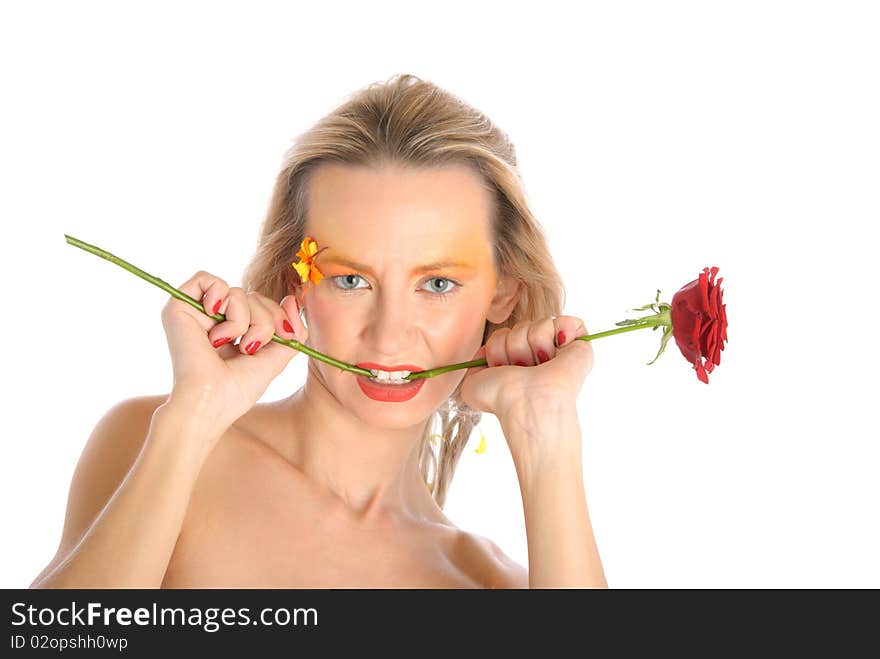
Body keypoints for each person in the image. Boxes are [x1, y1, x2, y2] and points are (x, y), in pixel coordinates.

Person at [30, 73, 606, 588]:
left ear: (501, 292)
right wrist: (194, 418)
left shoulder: (489, 585)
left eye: (436, 284)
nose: (389, 335)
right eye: (352, 279)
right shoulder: (161, 443)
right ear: (295, 278)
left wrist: (544, 431)